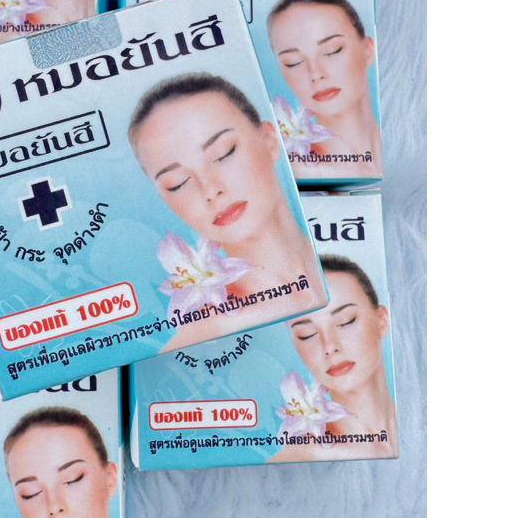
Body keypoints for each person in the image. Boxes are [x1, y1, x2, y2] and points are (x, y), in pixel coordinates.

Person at [128, 72, 326, 351]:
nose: (210, 190)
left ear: (270, 140)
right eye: (178, 183)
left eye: (224, 153)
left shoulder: (354, 254)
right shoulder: (197, 339)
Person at [268, 254, 398, 463]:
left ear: (381, 320)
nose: (329, 346)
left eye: (346, 321)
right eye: (307, 334)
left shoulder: (419, 424)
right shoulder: (298, 455)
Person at [266, 0, 381, 177]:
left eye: (332, 50)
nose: (315, 73)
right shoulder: (294, 172)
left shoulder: (408, 149)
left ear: (367, 50)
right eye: (294, 62)